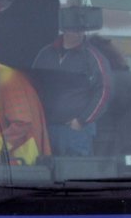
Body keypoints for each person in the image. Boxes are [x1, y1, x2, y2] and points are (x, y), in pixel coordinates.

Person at [31, 12, 112, 156]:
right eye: (75, 29)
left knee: (77, 175)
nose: (79, 33)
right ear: (64, 29)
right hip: (46, 128)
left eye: (81, 30)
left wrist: (81, 121)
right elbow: (33, 86)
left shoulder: (93, 58)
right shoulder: (45, 54)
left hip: (76, 131)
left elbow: (104, 91)